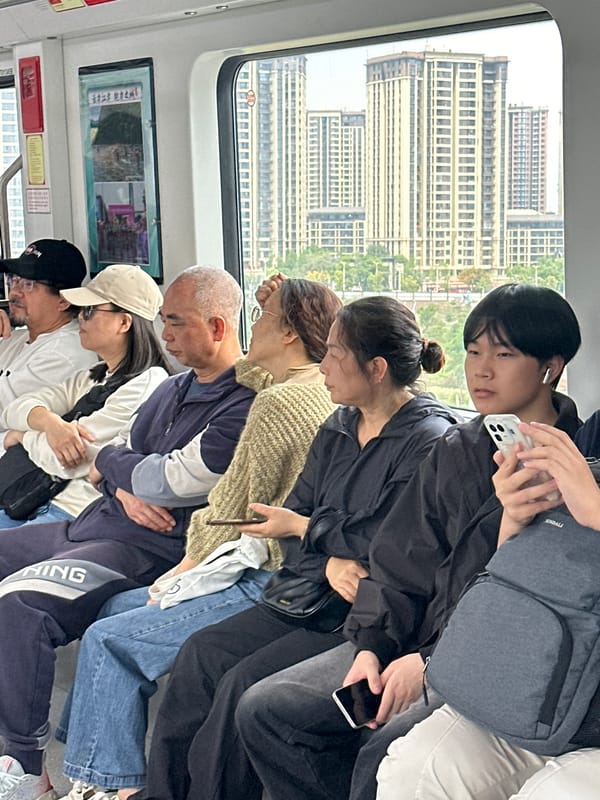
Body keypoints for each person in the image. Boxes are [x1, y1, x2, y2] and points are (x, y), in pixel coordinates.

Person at [235, 284, 583, 800]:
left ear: (550, 366)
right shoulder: (458, 448)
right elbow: (400, 560)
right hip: (404, 639)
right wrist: (373, 646)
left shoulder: (575, 465)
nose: (481, 370)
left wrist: (431, 661)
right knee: (269, 708)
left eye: (503, 354)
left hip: (475, 656)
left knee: (389, 747)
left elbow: (525, 602)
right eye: (473, 352)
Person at [130, 294, 459, 800]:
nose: (322, 365)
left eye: (334, 354)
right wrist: (324, 552)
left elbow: (387, 547)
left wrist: (310, 530)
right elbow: (290, 522)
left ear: (374, 368)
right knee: (199, 655)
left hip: (362, 613)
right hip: (306, 590)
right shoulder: (339, 425)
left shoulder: (430, 441)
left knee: (243, 686)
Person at [55, 276, 341, 800]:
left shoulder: (278, 404)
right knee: (116, 606)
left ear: (292, 334)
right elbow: (253, 366)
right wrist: (268, 306)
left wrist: (183, 571)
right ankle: (95, 765)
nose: (249, 328)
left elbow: (232, 503)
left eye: (262, 318)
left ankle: (104, 783)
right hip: (272, 562)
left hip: (266, 571)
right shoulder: (306, 384)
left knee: (108, 637)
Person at [0, 266, 257, 800]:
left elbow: (165, 479)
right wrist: (122, 480)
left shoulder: (244, 405)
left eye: (178, 324)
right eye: (163, 322)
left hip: (144, 547)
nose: (166, 336)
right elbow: (107, 467)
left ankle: (25, 768)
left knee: (20, 606)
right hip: (93, 521)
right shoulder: (173, 390)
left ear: (216, 326)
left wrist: (119, 469)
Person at [375, 423, 600, 800]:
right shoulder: (595, 430)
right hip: (554, 684)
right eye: (476, 356)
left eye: (504, 357)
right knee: (415, 769)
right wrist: (516, 518)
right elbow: (522, 580)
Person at [0, 263, 172, 528]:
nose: (80, 317)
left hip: (73, 512)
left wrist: (21, 436)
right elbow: (16, 409)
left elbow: (72, 458)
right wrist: (50, 423)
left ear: (124, 322)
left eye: (90, 311)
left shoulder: (147, 384)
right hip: (36, 499)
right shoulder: (93, 376)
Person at [0, 239, 97, 430]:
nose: (15, 292)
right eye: (14, 280)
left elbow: (5, 412)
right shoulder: (19, 338)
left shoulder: (64, 353)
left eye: (28, 284)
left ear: (63, 300)